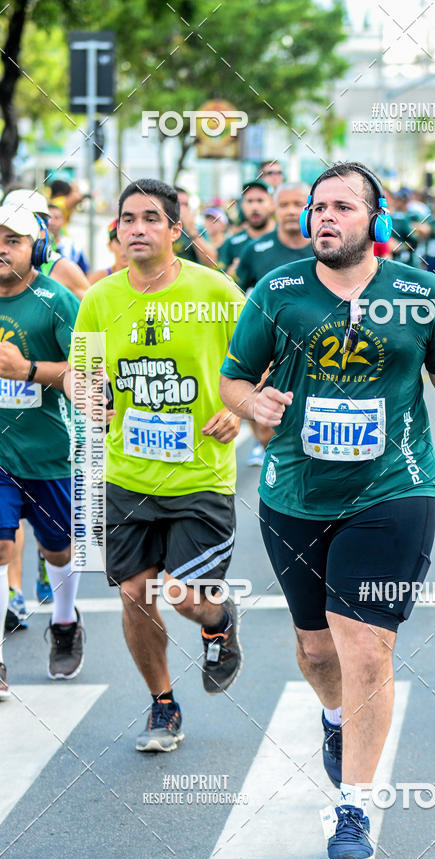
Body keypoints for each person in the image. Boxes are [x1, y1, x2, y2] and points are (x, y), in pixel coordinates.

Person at [220, 161, 435, 859]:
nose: (325, 217)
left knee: (367, 647)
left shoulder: (418, 291)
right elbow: (233, 380)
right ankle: (335, 715)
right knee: (317, 651)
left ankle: (355, 806)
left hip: (393, 489)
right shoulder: (278, 292)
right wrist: (252, 403)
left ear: (375, 220)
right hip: (295, 493)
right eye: (318, 207)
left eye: (342, 207)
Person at [65, 178, 245, 753]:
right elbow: (78, 371)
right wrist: (84, 393)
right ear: (116, 229)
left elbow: (265, 361)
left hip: (199, 476)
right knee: (134, 594)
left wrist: (236, 409)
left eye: (150, 218)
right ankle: (163, 703)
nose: (137, 228)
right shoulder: (100, 299)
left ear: (174, 229)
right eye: (128, 218)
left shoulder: (215, 292)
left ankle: (218, 622)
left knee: (185, 596)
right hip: (127, 475)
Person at [0, 204, 84, 694]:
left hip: (50, 451)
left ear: (38, 248)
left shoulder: (57, 300)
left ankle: (65, 621)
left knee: (58, 548)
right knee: (1, 544)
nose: (1, 249)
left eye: (12, 240)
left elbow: (85, 372)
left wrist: (26, 370)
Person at [234, 182, 313, 466]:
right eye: (284, 205)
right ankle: (272, 458)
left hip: (316, 348)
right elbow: (235, 292)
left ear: (310, 209)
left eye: (298, 205)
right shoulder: (255, 250)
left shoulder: (325, 248)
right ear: (274, 209)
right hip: (267, 349)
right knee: (268, 429)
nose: (291, 211)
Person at [218, 180, 274, 274]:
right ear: (242, 205)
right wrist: (231, 275)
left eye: (260, 200)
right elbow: (220, 277)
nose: (254, 207)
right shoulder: (231, 244)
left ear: (272, 204)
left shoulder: (285, 239)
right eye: (249, 201)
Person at [172, 186, 218, 267]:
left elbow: (212, 262)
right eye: (179, 204)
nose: (183, 208)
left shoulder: (198, 229)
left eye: (186, 204)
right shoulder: (161, 227)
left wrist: (192, 231)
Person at [88, 218, 129, 284]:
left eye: (129, 240)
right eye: (119, 241)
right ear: (110, 246)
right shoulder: (97, 279)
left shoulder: (146, 280)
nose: (124, 247)